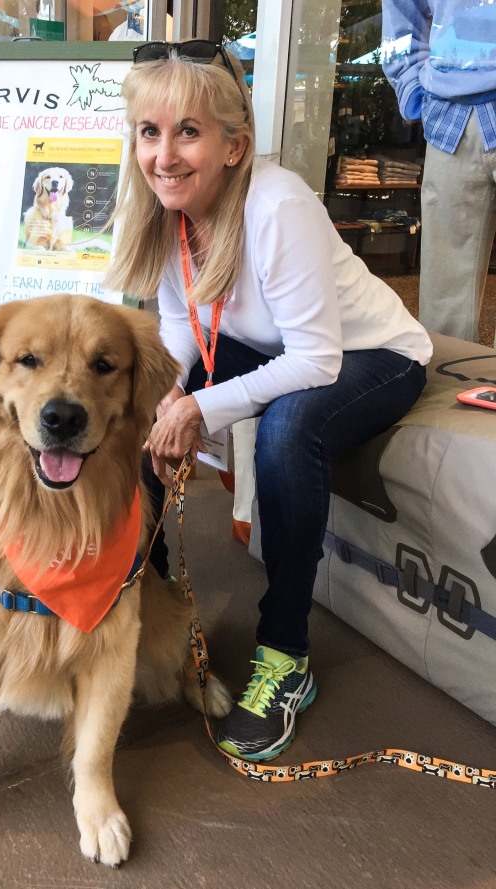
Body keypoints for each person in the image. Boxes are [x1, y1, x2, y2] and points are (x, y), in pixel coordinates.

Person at [103, 40, 433, 763]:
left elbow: (316, 359)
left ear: (234, 145)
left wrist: (198, 409)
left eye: (188, 131)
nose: (164, 154)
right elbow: (178, 326)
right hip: (271, 344)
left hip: (374, 354)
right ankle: (148, 610)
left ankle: (286, 654)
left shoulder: (277, 203)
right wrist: (167, 391)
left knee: (287, 431)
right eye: (150, 132)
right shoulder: (165, 207)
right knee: (131, 401)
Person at [382, 0, 496, 345]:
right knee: (444, 308)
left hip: (452, 108)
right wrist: (412, 86)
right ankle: (451, 378)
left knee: (445, 303)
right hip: (453, 113)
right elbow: (401, 11)